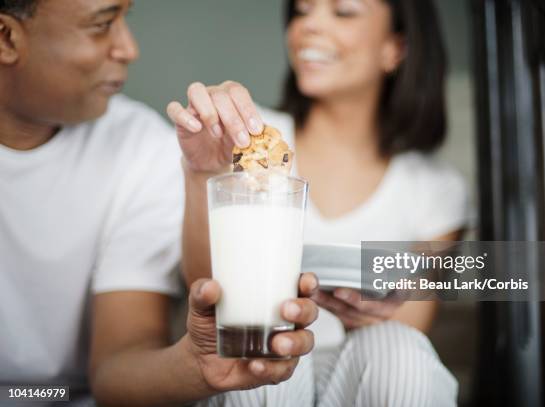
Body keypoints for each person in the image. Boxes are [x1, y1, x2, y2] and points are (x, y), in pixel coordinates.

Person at [0, 0, 318, 406]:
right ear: (6, 37)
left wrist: (197, 366)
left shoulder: (141, 148)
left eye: (124, 19)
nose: (129, 48)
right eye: (101, 24)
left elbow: (114, 370)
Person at [168, 0, 465, 404]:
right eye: (302, 11)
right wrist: (203, 172)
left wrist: (364, 306)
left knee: (399, 347)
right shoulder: (241, 140)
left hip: (365, 376)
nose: (308, 27)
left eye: (343, 12)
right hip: (257, 377)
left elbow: (408, 327)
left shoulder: (435, 187)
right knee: (265, 350)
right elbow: (207, 289)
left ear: (395, 48)